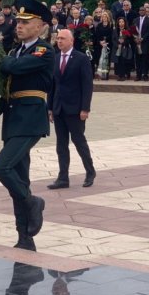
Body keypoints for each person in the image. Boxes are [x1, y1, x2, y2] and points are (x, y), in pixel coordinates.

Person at [0, 0, 54, 252]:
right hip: (13, 119)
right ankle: (24, 235)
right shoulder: (14, 51)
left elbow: (13, 68)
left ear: (39, 26)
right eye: (18, 21)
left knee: (1, 166)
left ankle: (33, 202)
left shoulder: (43, 51)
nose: (19, 25)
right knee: (19, 176)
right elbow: (7, 83)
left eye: (26, 22)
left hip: (30, 119)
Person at [47, 29, 95, 190]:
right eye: (58, 38)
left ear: (71, 41)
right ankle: (63, 178)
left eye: (62, 39)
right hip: (59, 108)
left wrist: (85, 109)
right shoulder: (55, 58)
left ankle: (90, 171)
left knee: (79, 141)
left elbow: (87, 85)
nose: (59, 41)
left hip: (75, 109)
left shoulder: (81, 59)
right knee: (61, 145)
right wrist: (50, 108)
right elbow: (52, 85)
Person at [133, 6, 149, 81]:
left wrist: (142, 38)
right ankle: (138, 75)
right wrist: (136, 38)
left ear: (145, 11)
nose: (141, 11)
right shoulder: (135, 20)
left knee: (145, 60)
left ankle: (145, 75)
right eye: (140, 10)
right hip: (137, 43)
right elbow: (133, 30)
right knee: (137, 60)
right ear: (139, 11)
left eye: (143, 10)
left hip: (145, 43)